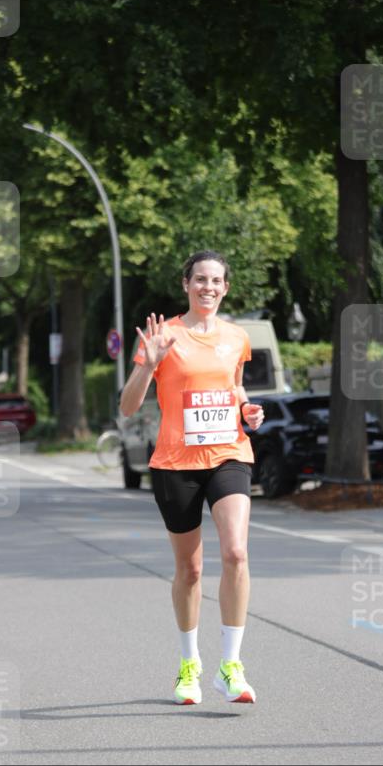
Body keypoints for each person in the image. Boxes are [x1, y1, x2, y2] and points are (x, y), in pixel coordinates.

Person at [120, 250, 265, 705]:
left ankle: (231, 666)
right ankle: (188, 665)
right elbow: (127, 407)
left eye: (216, 280)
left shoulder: (237, 337)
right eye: (199, 279)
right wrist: (149, 362)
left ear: (225, 287)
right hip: (175, 462)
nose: (208, 287)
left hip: (229, 454)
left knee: (237, 553)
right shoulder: (163, 335)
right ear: (186, 284)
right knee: (191, 568)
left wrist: (247, 410)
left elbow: (235, 385)